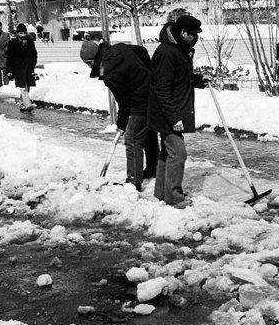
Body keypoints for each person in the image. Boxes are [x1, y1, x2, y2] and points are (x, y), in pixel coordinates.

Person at [148, 14, 206, 206]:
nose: (196, 38)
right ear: (182, 33)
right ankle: (174, 197)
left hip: (170, 111)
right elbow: (161, 89)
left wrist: (197, 80)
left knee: (167, 152)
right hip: (166, 113)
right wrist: (174, 118)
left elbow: (181, 77)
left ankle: (161, 193)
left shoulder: (179, 50)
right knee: (179, 153)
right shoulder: (167, 52)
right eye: (193, 34)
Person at [82, 38, 155, 190]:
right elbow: (142, 51)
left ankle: (134, 181)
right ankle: (153, 167)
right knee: (146, 132)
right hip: (152, 93)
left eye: (88, 64)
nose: (90, 68)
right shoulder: (119, 48)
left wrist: (121, 126)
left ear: (92, 61)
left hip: (140, 101)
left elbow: (124, 104)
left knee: (132, 138)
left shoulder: (110, 74)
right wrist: (147, 74)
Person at [7, 23, 37, 111]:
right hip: (18, 68)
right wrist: (9, 70)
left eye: (24, 33)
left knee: (28, 87)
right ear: (17, 34)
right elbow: (10, 58)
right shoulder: (12, 43)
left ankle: (22, 104)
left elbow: (34, 54)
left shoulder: (30, 41)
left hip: (28, 67)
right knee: (23, 87)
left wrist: (33, 63)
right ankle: (28, 105)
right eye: (21, 33)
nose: (23, 35)